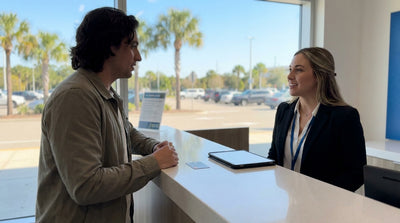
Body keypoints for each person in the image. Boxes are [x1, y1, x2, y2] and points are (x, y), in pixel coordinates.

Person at [35, 7, 179, 223]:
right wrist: (154, 163)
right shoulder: (76, 97)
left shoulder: (103, 92)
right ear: (110, 45)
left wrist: (153, 147)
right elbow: (86, 186)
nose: (138, 57)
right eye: (132, 46)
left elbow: (126, 133)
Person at [267, 47, 366, 192]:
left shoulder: (344, 117)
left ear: (319, 75)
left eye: (299, 70)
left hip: (323, 208)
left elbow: (355, 173)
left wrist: (322, 199)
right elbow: (274, 156)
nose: (290, 76)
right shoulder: (284, 110)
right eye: (290, 69)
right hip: (286, 201)